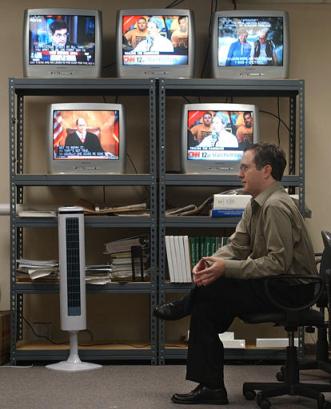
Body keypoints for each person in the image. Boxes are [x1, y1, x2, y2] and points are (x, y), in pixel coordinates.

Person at [154, 143, 317, 405]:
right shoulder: (255, 204)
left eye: (244, 168)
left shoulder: (275, 206)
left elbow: (278, 263)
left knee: (214, 290)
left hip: (293, 288)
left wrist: (224, 268)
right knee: (207, 302)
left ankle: (186, 311)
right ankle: (211, 385)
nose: (239, 174)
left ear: (266, 171)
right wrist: (210, 262)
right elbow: (238, 246)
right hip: (276, 283)